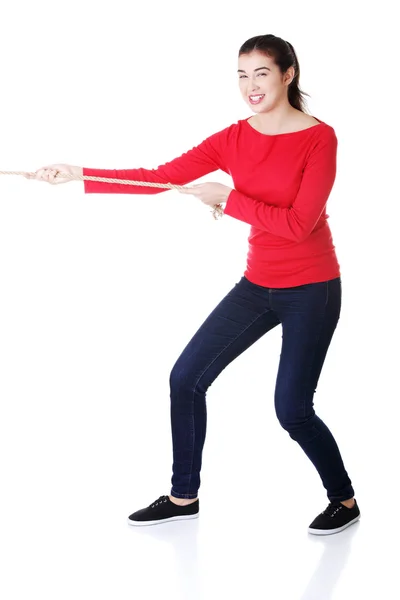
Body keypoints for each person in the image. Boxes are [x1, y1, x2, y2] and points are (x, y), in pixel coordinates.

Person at [28, 34, 361, 536]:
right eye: (242, 75)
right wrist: (77, 174)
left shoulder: (320, 138)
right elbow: (159, 177)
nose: (250, 85)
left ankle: (345, 500)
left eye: (262, 73)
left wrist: (229, 199)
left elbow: (298, 223)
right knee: (186, 378)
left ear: (288, 74)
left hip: (312, 288)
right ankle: (184, 497)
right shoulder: (233, 137)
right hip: (258, 283)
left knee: (292, 410)